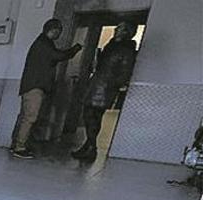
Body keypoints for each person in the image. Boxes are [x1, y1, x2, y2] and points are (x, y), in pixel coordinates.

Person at [12, 18, 82, 159]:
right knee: (30, 118)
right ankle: (19, 147)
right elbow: (58, 56)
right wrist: (75, 49)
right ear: (53, 30)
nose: (59, 34)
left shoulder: (42, 43)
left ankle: (17, 144)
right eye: (58, 31)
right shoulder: (44, 44)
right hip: (35, 86)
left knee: (25, 117)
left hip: (31, 85)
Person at [72, 21, 138, 161]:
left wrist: (113, 85)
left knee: (92, 116)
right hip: (97, 85)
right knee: (90, 116)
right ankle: (89, 146)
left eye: (120, 28)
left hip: (105, 88)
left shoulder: (126, 49)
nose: (116, 29)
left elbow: (124, 73)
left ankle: (91, 148)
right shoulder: (112, 45)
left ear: (127, 32)